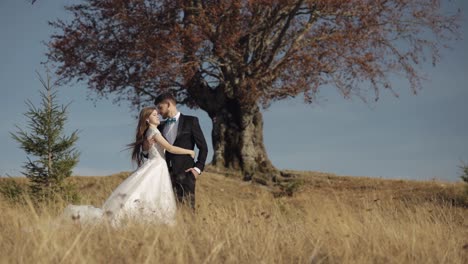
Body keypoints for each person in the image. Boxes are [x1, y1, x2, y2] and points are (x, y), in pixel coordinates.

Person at [62, 106, 195, 227]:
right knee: (150, 193)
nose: (158, 116)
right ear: (147, 120)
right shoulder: (154, 132)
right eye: (154, 115)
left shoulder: (150, 132)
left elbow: (148, 149)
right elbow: (170, 148)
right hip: (157, 167)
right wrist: (189, 151)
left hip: (156, 165)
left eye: (157, 114)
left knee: (149, 194)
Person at [144, 93, 208, 211]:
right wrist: (146, 147)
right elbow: (150, 152)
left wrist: (197, 169)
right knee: (168, 211)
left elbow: (203, 147)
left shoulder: (191, 121)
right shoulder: (159, 127)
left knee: (188, 210)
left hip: (186, 174)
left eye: (160, 107)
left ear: (168, 104)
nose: (158, 111)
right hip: (165, 175)